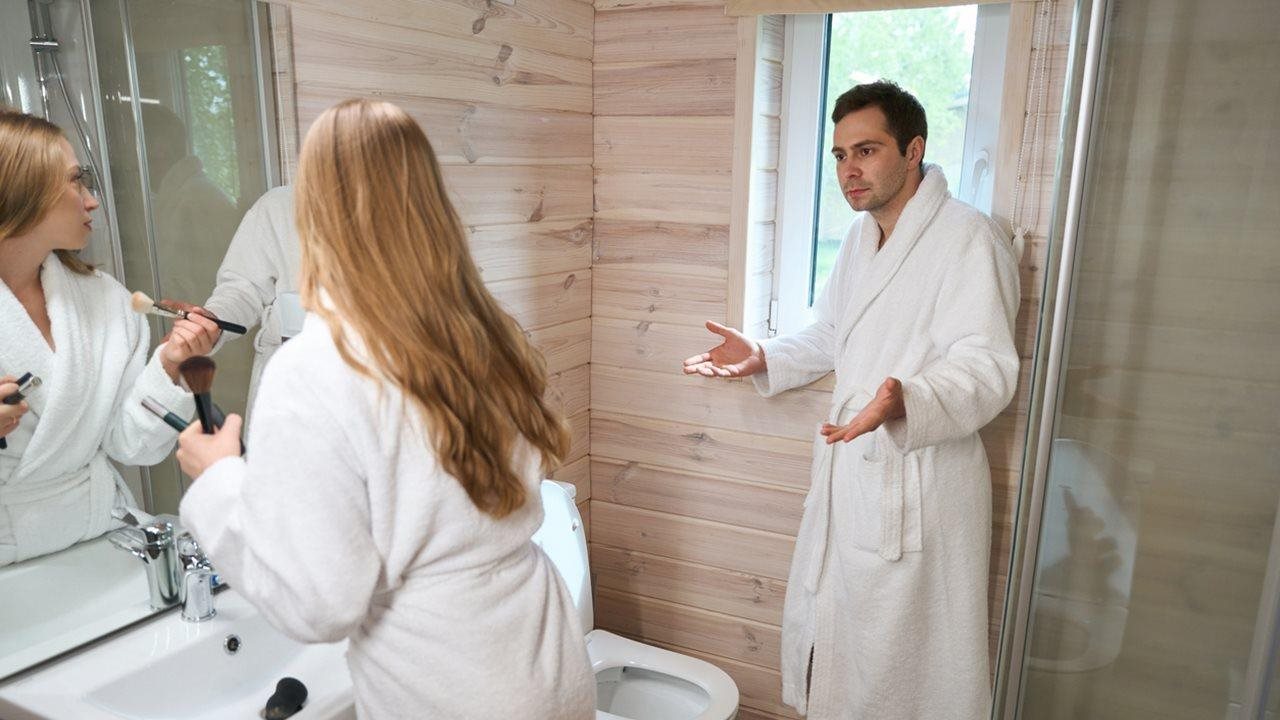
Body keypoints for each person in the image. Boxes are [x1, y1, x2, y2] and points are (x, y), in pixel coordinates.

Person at [174, 99, 596, 719]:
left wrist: (218, 480)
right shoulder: (482, 330)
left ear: (312, 210)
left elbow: (321, 605)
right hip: (546, 660)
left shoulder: (317, 365)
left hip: (448, 685)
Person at [683, 81, 1020, 718]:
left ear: (913, 150)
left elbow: (989, 366)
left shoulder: (968, 238)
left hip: (918, 488)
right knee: (852, 656)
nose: (849, 170)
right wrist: (764, 354)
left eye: (866, 150)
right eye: (840, 155)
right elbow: (834, 332)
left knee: (909, 667)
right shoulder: (863, 239)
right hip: (856, 480)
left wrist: (908, 400)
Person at [0, 108, 219, 566]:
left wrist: (171, 363)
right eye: (75, 181)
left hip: (94, 531)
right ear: (23, 191)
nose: (92, 200)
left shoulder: (105, 300)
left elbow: (130, 444)